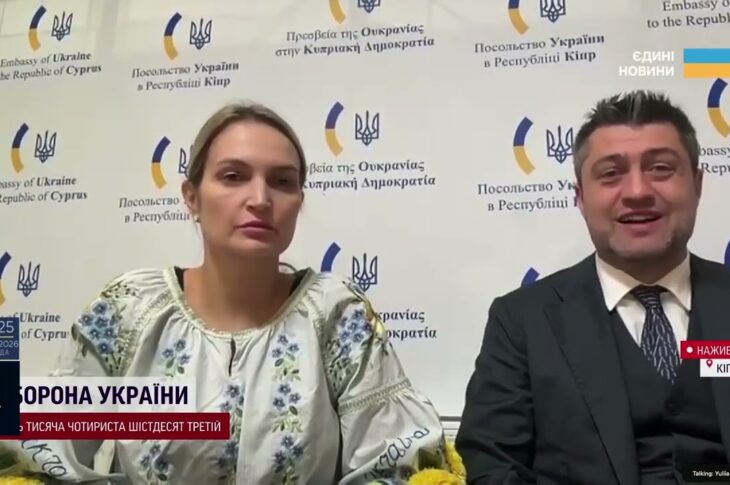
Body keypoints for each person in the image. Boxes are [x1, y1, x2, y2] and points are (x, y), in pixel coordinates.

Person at [0, 101, 464, 484]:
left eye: (282, 182)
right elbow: (38, 456)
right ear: (192, 197)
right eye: (233, 176)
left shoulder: (338, 315)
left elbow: (396, 466)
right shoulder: (127, 310)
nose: (260, 199)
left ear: (299, 202)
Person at [456, 90, 730, 484]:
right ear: (581, 198)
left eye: (661, 168)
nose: (637, 192)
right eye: (611, 174)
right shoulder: (523, 322)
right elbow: (493, 465)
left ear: (698, 185)